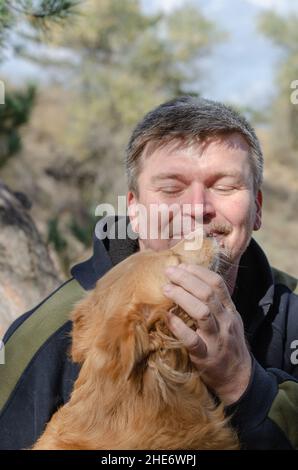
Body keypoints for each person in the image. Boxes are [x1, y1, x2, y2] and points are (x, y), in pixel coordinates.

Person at [0, 96, 297, 450]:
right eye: (172, 188)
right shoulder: (44, 335)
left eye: (225, 186)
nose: (197, 208)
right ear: (135, 211)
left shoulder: (293, 314)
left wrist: (243, 384)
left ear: (257, 209)